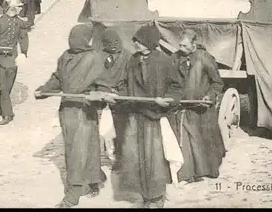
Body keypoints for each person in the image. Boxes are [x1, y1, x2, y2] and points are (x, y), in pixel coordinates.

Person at [35, 24, 111, 207]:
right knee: (81, 147)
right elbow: (57, 78)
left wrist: (99, 94)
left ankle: (73, 193)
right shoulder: (65, 56)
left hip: (85, 110)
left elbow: (104, 84)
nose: (72, 41)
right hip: (67, 109)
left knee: (78, 150)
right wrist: (44, 90)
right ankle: (94, 179)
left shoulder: (94, 58)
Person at [116, 24, 183, 208]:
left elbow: (176, 88)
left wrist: (167, 100)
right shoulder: (132, 60)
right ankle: (146, 197)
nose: (135, 43)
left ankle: (157, 197)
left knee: (155, 159)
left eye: (139, 40)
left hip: (154, 117)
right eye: (135, 40)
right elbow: (123, 84)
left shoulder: (164, 61)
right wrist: (118, 95)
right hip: (135, 115)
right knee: (137, 159)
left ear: (149, 41)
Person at [168, 29, 225, 186]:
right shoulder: (175, 58)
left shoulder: (205, 58)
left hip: (202, 109)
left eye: (185, 46)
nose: (182, 48)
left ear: (194, 44)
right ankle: (188, 174)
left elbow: (217, 83)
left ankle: (207, 169)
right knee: (186, 140)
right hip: (183, 107)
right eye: (180, 45)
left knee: (204, 140)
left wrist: (210, 96)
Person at [0, 0, 30, 125]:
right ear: (7, 7)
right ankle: (8, 114)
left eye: (16, 8)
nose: (15, 10)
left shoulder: (20, 22)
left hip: (12, 58)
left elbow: (23, 38)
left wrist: (23, 53)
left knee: (8, 87)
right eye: (13, 7)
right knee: (3, 88)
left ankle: (1, 106)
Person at [92, 28, 132, 164]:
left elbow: (131, 80)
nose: (113, 45)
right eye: (109, 43)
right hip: (106, 99)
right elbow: (97, 77)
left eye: (116, 42)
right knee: (108, 130)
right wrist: (104, 91)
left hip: (122, 99)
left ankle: (123, 157)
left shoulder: (128, 57)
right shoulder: (99, 57)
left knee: (122, 129)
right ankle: (112, 155)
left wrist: (120, 93)